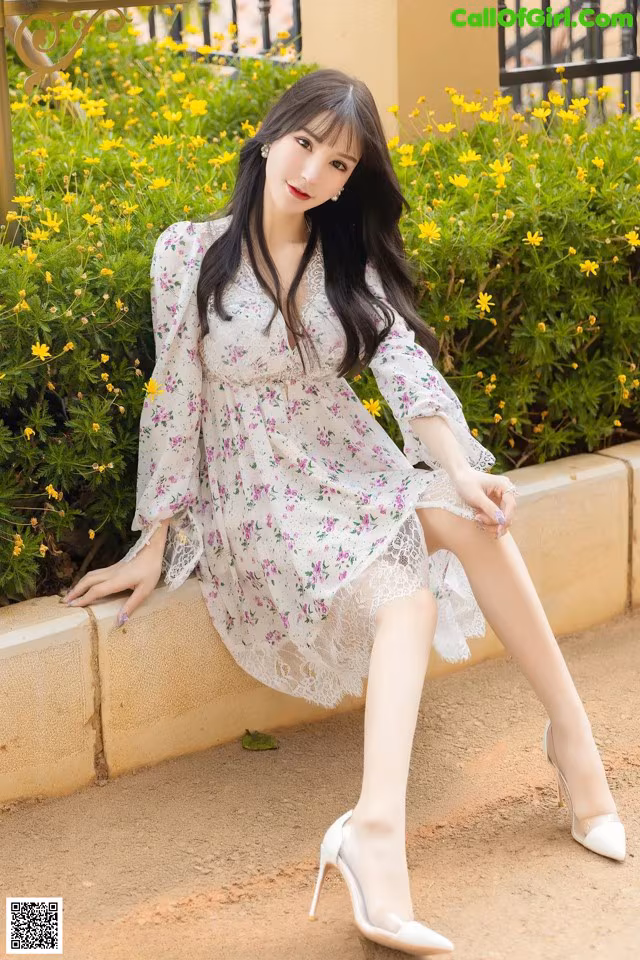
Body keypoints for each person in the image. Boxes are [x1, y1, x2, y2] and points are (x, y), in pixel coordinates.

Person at [62, 67, 626, 955]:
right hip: (258, 499)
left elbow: (407, 375)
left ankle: (571, 740)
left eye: (340, 163)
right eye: (306, 144)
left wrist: (459, 469)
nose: (316, 172)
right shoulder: (188, 251)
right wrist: (155, 537)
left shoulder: (344, 259)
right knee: (408, 599)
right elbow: (173, 398)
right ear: (267, 136)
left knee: (472, 513)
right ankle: (376, 835)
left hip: (345, 468)